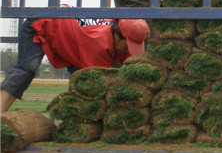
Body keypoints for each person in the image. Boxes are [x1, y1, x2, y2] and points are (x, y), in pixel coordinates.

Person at [0, 18, 149, 112]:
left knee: (79, 86)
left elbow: (131, 69)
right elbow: (98, 81)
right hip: (41, 25)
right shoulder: (98, 42)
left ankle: (63, 118)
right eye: (127, 45)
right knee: (27, 69)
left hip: (71, 41)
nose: (129, 50)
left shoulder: (122, 32)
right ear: (116, 35)